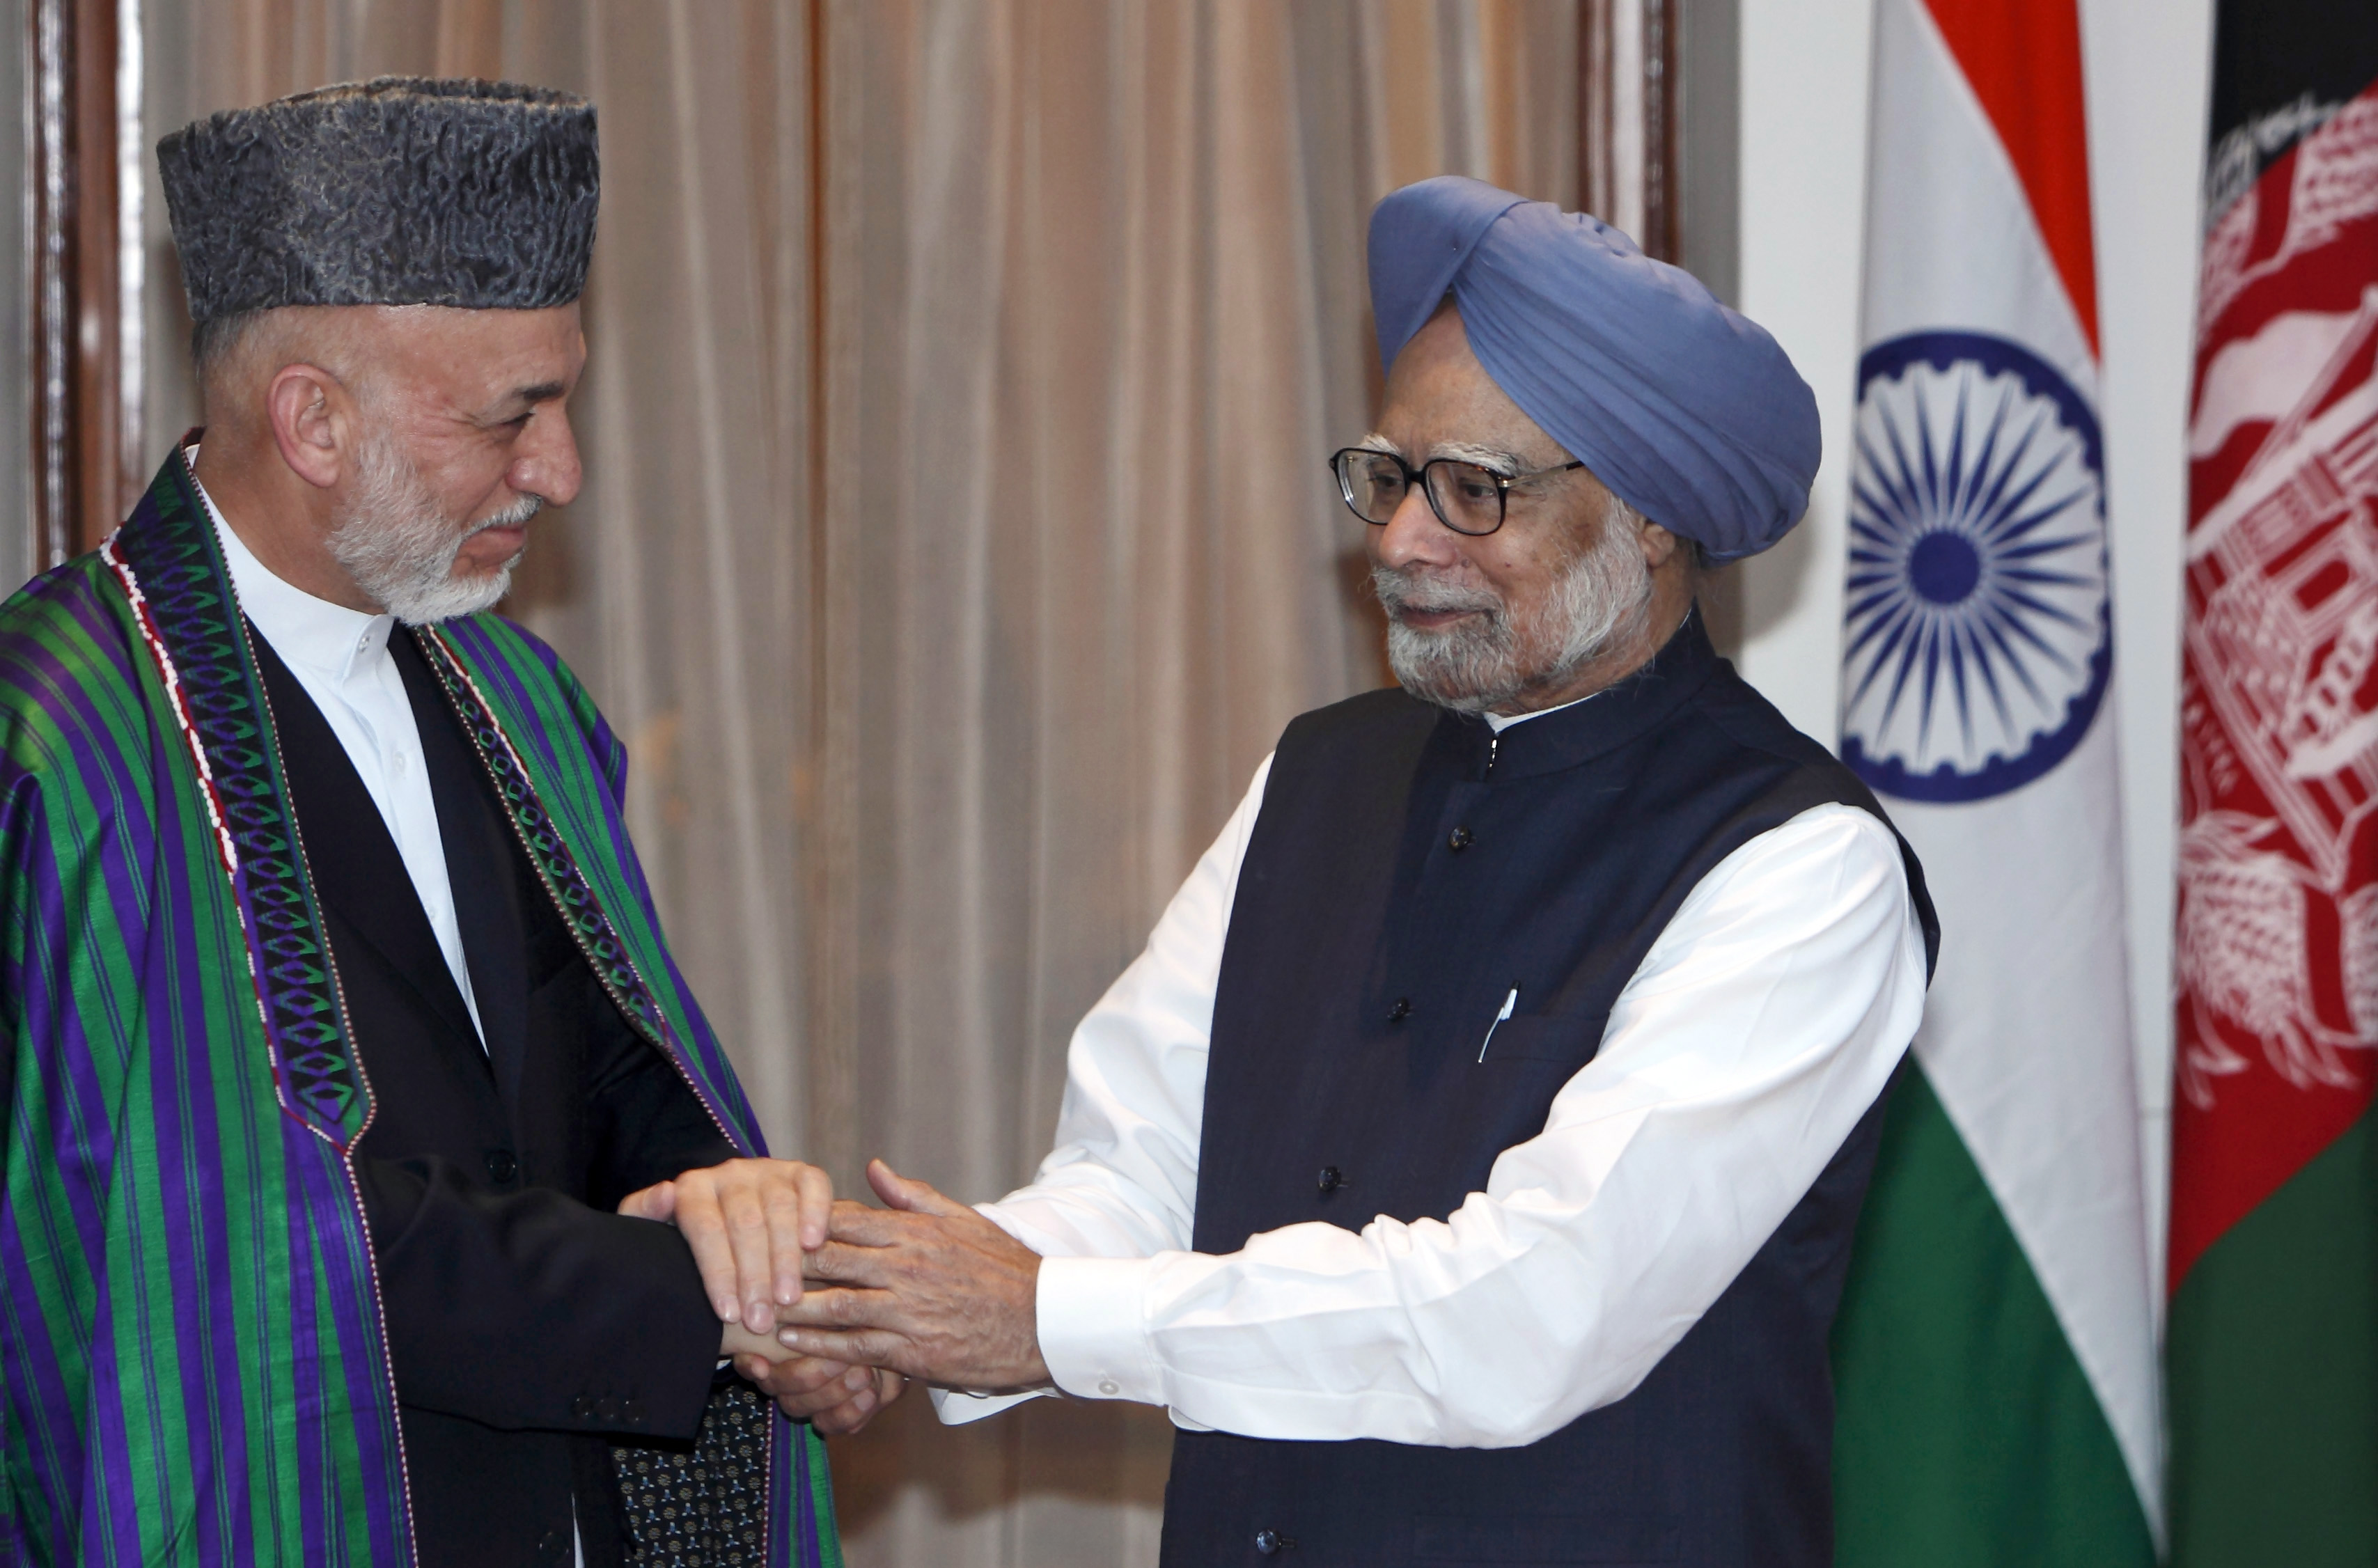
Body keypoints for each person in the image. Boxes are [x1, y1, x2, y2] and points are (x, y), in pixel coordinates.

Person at [758, 175, 1941, 1567]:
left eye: (1472, 491)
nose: (1397, 541)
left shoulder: (1801, 865)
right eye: (1388, 475)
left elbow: (1531, 1314)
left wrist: (1036, 1318)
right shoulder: (1319, 777)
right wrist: (888, 1303)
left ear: (1652, 517)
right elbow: (1136, 1174)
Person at [0, 79, 835, 1567]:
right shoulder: (62, 740)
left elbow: (601, 1079)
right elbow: (225, 1227)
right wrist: (698, 1305)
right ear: (312, 420)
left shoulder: (515, 692)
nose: (561, 471)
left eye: (564, 397)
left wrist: (765, 1237)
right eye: (512, 416)